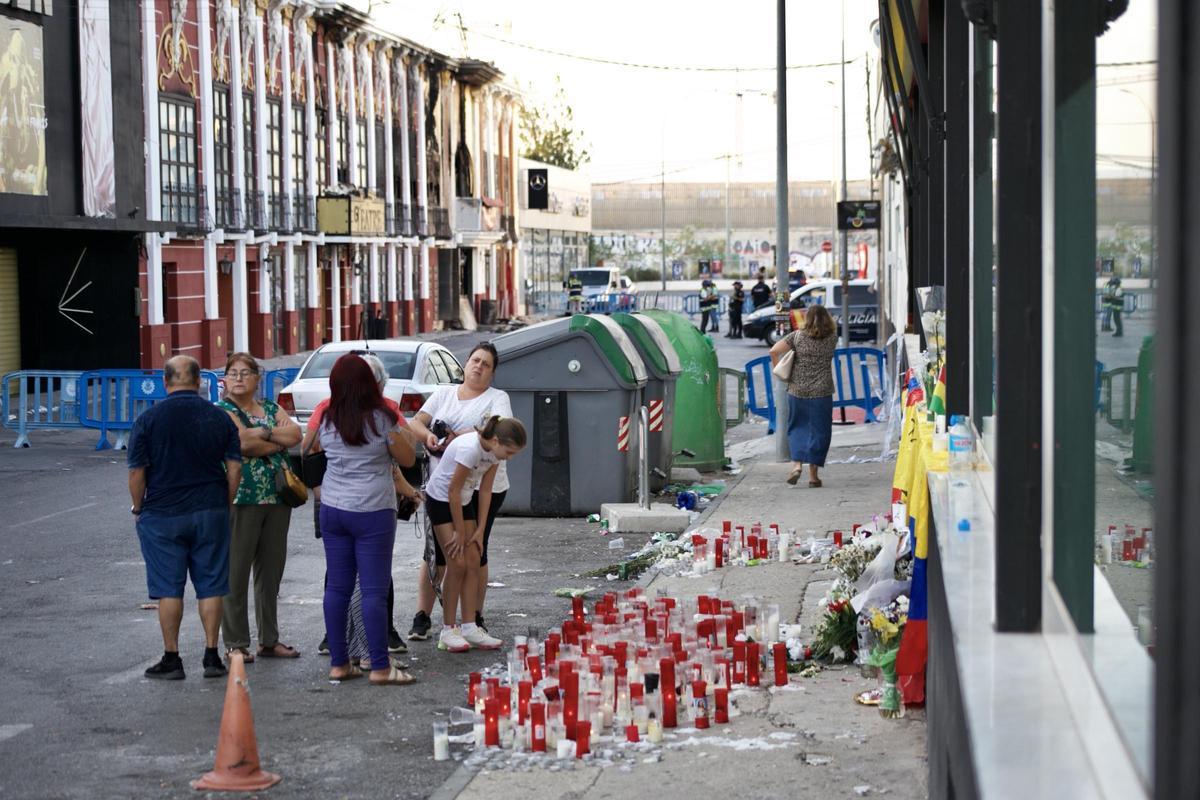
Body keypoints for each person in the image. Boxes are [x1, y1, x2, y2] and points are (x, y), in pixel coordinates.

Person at [127, 356, 242, 681]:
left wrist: (139, 507)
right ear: (199, 382)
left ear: (166, 382)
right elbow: (235, 467)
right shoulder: (220, 419)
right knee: (210, 586)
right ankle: (211, 657)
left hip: (162, 515)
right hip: (210, 511)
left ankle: (172, 658)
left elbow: (137, 473)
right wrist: (226, 502)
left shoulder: (148, 420)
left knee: (169, 588)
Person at [306, 354, 416, 685]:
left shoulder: (326, 416)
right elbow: (408, 458)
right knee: (372, 590)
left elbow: (306, 449)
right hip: (373, 511)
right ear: (371, 383)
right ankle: (380, 667)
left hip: (333, 509)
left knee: (337, 588)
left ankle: (340, 663)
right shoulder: (382, 418)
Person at [405, 342, 511, 641]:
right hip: (446, 485)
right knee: (437, 552)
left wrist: (454, 436)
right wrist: (428, 436)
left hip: (483, 487)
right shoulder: (443, 393)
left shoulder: (497, 398)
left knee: (475, 551)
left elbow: (497, 430)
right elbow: (415, 422)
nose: (478, 366)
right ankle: (423, 616)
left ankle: (473, 618)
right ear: (465, 363)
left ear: (492, 373)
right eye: (475, 360)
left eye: (486, 364)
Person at [216, 353, 303, 663]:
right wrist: (274, 439)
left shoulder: (269, 407)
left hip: (278, 498)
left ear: (257, 379)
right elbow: (241, 444)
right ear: (224, 380)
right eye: (233, 373)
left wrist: (262, 435)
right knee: (236, 572)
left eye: (246, 373)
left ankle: (269, 640)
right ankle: (236, 642)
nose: (239, 378)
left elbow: (295, 434)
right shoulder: (222, 410)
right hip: (242, 498)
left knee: (271, 574)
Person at [423, 416, 527, 652]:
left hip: (465, 499)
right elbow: (452, 490)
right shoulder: (471, 448)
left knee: (473, 560)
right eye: (508, 452)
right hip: (441, 499)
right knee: (456, 563)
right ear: (496, 440)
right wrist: (460, 530)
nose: (508, 457)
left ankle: (470, 626)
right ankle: (448, 630)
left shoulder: (494, 453)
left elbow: (487, 490)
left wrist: (479, 530)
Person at [769, 305, 838, 488]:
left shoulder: (797, 336)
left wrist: (779, 371)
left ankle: (797, 465)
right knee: (820, 431)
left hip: (797, 390)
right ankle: (813, 477)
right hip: (821, 391)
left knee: (797, 427)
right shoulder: (832, 338)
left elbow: (774, 351)